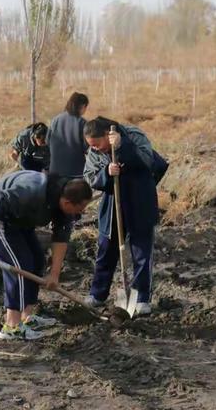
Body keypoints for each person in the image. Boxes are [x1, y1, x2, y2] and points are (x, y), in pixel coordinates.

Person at [0, 171, 92, 340]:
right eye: (79, 208)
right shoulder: (30, 192)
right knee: (19, 267)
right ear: (67, 202)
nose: (80, 213)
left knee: (36, 261)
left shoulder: (63, 206)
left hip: (21, 220)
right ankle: (11, 327)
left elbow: (61, 239)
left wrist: (54, 275)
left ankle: (26, 317)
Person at [83, 117, 159, 316]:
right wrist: (107, 173)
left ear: (107, 137)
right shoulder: (94, 151)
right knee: (106, 248)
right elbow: (90, 177)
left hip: (140, 199)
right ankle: (98, 294)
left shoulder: (133, 135)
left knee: (141, 251)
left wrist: (123, 148)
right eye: (91, 146)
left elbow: (147, 161)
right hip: (112, 203)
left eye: (97, 144)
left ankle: (141, 297)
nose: (95, 149)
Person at [47, 92, 89, 178]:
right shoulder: (82, 123)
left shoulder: (55, 120)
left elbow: (48, 141)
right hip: (75, 171)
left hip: (55, 170)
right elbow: (87, 146)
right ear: (82, 106)